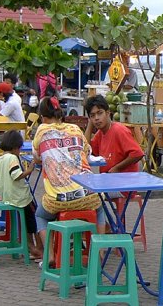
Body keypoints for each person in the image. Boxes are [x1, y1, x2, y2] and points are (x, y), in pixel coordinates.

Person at [32, 96, 105, 265]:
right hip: (87, 195)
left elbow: (37, 157)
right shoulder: (75, 129)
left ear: (43, 117)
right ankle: (100, 251)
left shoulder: (42, 131)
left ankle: (50, 254)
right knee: (100, 208)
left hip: (58, 200)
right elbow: (86, 152)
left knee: (40, 215)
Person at [0, 130, 42, 259]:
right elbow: (16, 175)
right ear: (15, 147)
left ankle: (30, 247)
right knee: (36, 218)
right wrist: (29, 170)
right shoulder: (12, 158)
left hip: (8, 198)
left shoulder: (0, 159)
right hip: (21, 197)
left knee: (25, 221)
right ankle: (37, 249)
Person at [85, 95, 144, 174]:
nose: (96, 118)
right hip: (107, 179)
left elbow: (138, 154)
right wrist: (90, 125)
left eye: (100, 113)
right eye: (92, 116)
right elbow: (85, 150)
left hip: (124, 181)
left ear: (108, 113)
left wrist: (117, 168)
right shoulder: (100, 133)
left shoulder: (119, 130)